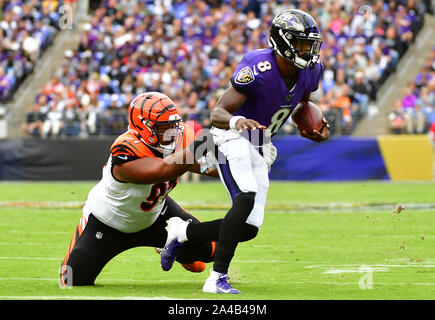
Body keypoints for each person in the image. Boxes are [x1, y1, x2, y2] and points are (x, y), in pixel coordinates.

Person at [161, 9, 330, 294]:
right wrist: (239, 120)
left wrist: (311, 124)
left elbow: (303, 102)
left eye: (310, 45)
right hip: (232, 134)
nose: (308, 51)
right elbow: (218, 112)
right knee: (245, 197)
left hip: (262, 142)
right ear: (283, 42)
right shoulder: (257, 66)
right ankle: (216, 279)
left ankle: (181, 232)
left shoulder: (311, 71)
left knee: (249, 227)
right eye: (301, 44)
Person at [59, 92, 218, 286]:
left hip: (156, 215)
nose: (172, 132)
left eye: (173, 125)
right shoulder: (125, 150)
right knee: (72, 280)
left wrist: (240, 167)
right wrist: (202, 144)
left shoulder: (182, 137)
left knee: (211, 253)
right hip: (108, 223)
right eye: (163, 127)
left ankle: (172, 243)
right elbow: (162, 170)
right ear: (143, 127)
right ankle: (169, 244)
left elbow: (204, 166)